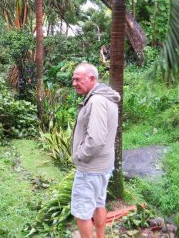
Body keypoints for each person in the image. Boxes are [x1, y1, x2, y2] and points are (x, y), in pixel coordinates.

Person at [71, 63, 120, 238]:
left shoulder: (97, 101)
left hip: (90, 168)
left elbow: (96, 139)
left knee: (82, 213)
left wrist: (80, 156)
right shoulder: (106, 98)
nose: (74, 83)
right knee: (99, 204)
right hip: (103, 166)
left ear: (92, 78)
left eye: (78, 79)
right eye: (73, 79)